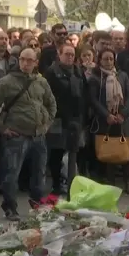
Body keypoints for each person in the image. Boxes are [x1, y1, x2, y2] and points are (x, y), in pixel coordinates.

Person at [0, 48, 56, 220]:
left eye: (30, 60)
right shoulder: (7, 82)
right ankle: (10, 207)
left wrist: (47, 124)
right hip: (17, 135)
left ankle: (37, 204)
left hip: (38, 134)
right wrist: (2, 128)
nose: (26, 63)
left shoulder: (41, 81)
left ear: (35, 62)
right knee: (11, 173)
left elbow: (51, 103)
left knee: (39, 172)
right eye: (23, 59)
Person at [88, 48, 129, 194]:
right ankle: (111, 182)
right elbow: (93, 100)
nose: (108, 62)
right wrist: (106, 115)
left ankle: (128, 181)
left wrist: (123, 114)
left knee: (126, 150)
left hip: (123, 119)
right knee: (109, 151)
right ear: (99, 60)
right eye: (105, 59)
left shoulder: (122, 75)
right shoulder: (95, 78)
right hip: (106, 120)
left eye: (111, 58)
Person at [44, 44, 87, 196]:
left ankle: (72, 183)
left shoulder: (78, 71)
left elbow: (84, 94)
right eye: (66, 54)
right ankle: (57, 183)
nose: (69, 57)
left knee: (76, 151)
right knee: (56, 152)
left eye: (72, 54)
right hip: (58, 118)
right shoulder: (51, 72)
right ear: (59, 54)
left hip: (76, 118)